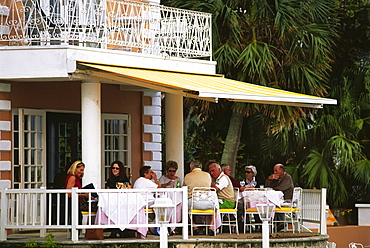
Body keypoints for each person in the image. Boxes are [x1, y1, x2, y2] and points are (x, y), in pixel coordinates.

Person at [183, 160, 214, 235]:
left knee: (183, 209)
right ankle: (211, 227)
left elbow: (184, 188)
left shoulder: (187, 176)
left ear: (191, 168)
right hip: (208, 203)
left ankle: (194, 226)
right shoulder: (207, 175)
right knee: (215, 209)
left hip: (194, 203)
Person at [106, 161, 132, 238]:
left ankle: (123, 231)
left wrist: (124, 187)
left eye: (117, 168)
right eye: (113, 168)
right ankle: (113, 230)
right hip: (112, 201)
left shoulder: (124, 178)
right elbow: (107, 189)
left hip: (122, 201)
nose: (115, 170)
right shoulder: (110, 179)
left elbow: (130, 188)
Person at [265, 163, 294, 231]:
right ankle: (269, 223)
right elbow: (267, 187)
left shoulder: (287, 177)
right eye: (274, 171)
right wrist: (269, 179)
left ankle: (281, 223)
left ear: (282, 170)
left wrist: (272, 188)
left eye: (276, 171)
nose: (275, 173)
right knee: (270, 202)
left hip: (287, 200)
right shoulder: (275, 178)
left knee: (275, 202)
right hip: (277, 199)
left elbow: (280, 188)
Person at [64, 161, 91, 225]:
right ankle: (74, 234)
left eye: (83, 170)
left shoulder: (76, 178)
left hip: (76, 202)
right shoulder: (72, 177)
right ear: (75, 168)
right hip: (72, 202)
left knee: (78, 219)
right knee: (76, 220)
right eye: (80, 170)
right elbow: (69, 193)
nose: (81, 172)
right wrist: (84, 195)